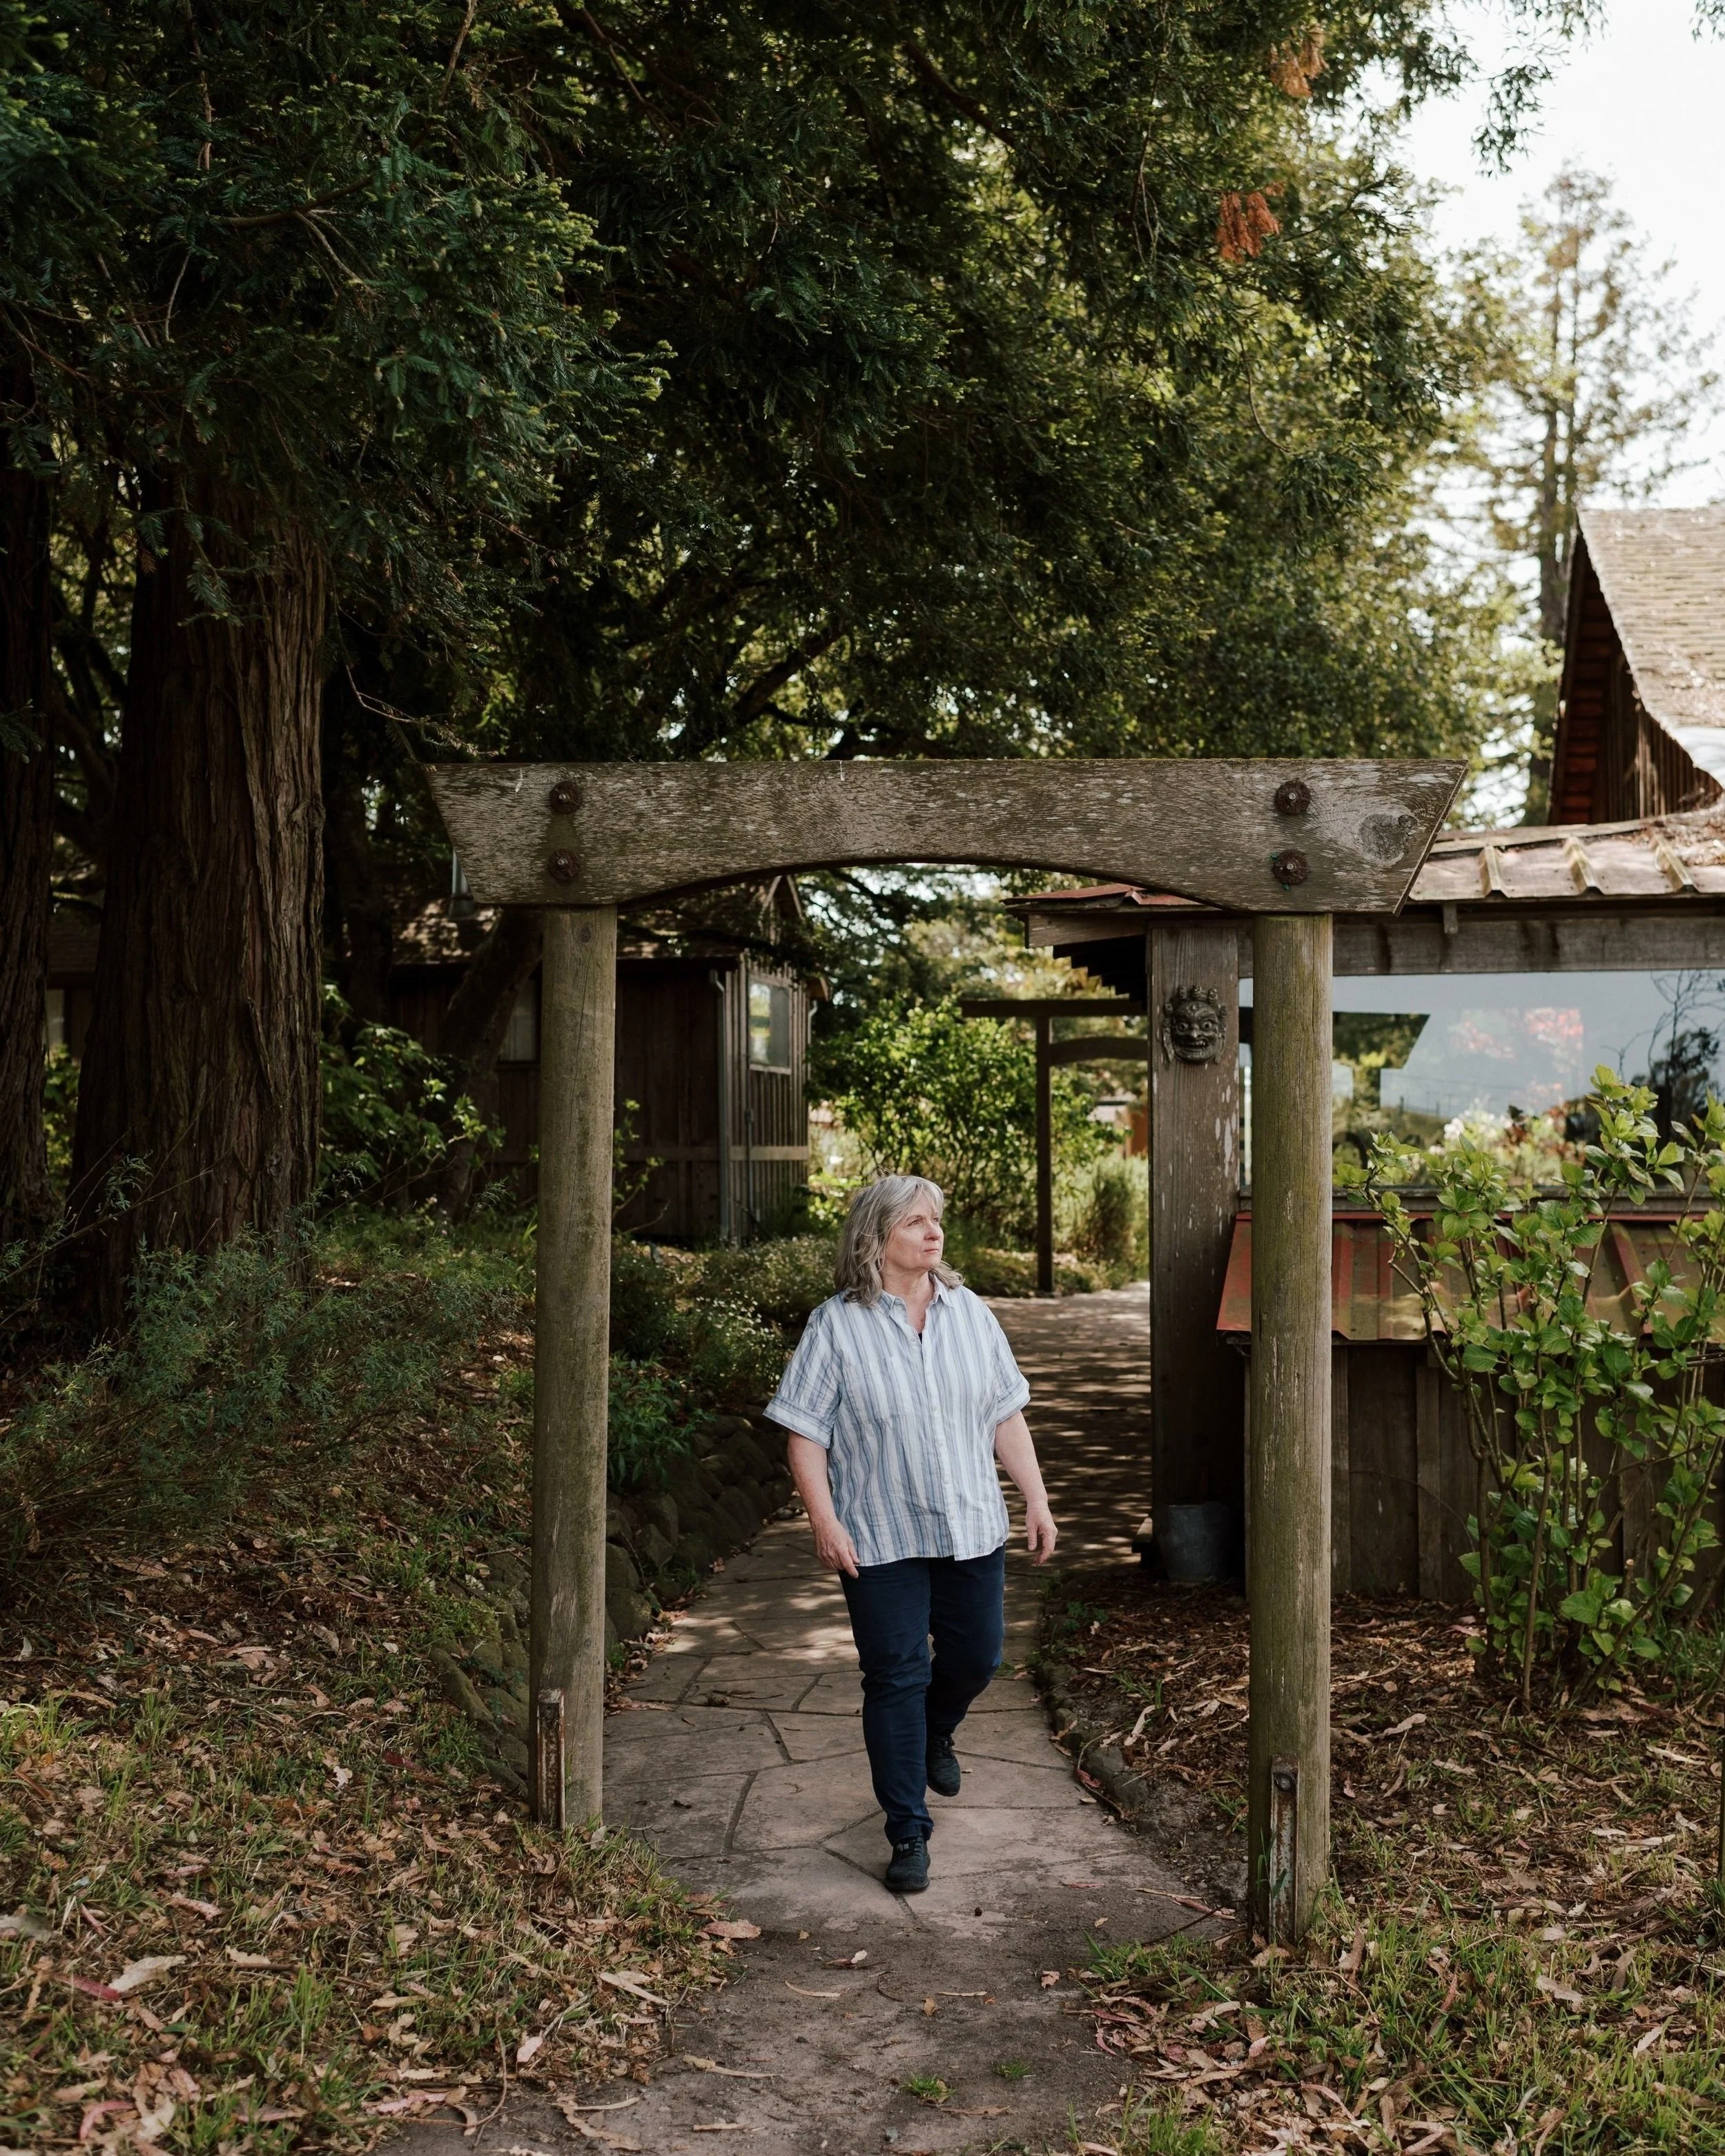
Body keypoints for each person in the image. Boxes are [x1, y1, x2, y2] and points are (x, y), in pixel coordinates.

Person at [765, 1175, 1058, 1894]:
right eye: (917, 1222)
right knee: (894, 1675)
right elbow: (805, 1434)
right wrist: (824, 1520)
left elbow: (1004, 1414)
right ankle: (907, 1830)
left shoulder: (972, 1315)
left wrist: (1037, 1499)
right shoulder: (835, 1325)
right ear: (876, 1237)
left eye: (938, 1220)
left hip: (969, 1523)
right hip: (879, 1533)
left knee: (978, 1656)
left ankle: (937, 1729)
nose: (935, 1233)